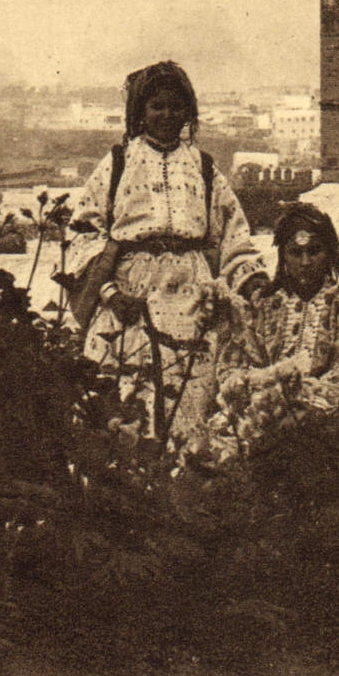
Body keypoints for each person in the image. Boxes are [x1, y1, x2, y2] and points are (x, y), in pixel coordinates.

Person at [68, 61, 267, 444]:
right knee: (127, 400)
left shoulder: (204, 168)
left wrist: (253, 280)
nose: (166, 115)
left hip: (191, 294)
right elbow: (83, 231)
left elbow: (234, 235)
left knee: (191, 396)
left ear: (187, 113)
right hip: (131, 294)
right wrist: (111, 294)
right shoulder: (118, 163)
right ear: (140, 111)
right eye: (156, 106)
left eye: (175, 107)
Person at [218, 203, 339, 433]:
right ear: (283, 256)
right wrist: (265, 395)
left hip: (325, 421)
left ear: (329, 253)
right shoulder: (263, 304)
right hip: (264, 418)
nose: (305, 262)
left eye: (314, 251)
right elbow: (235, 362)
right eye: (295, 253)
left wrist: (308, 399)